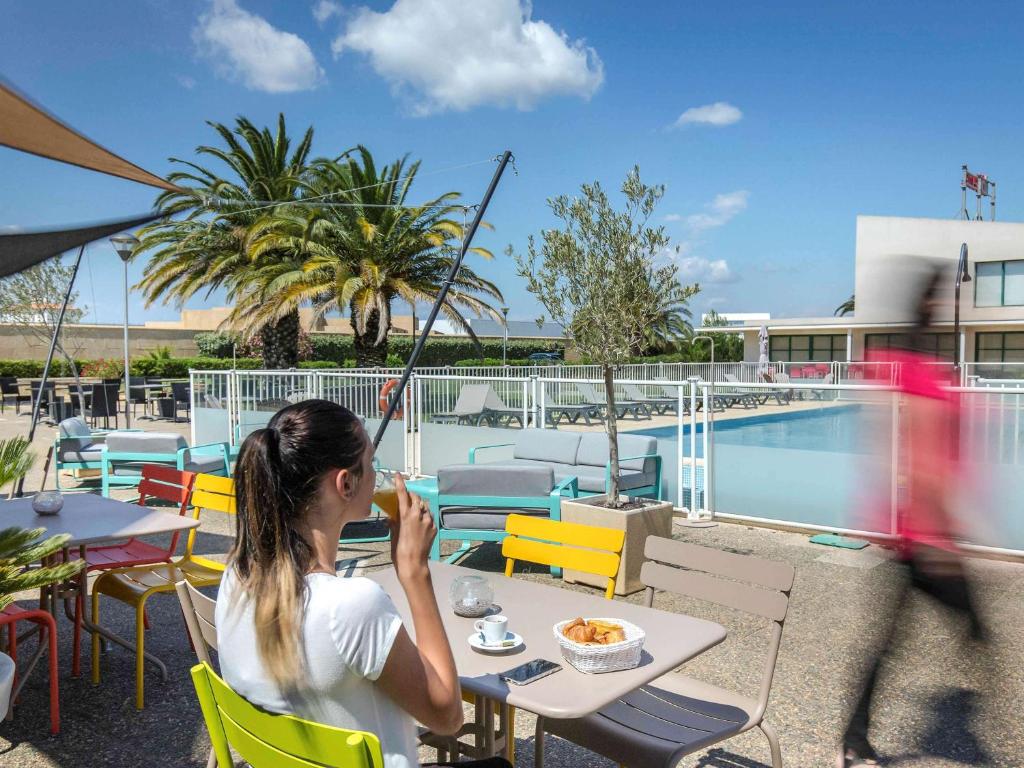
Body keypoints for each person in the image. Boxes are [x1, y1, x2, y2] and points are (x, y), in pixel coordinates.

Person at [215, 399, 510, 768]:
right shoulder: (351, 606)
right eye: (372, 464)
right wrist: (414, 570)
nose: (379, 475)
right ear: (346, 483)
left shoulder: (235, 578)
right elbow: (448, 718)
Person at [839, 267, 987, 767]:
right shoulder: (926, 377)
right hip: (929, 541)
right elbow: (922, 465)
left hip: (914, 537)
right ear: (932, 309)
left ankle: (854, 741)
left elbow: (899, 456)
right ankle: (857, 740)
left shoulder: (910, 371)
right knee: (978, 637)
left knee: (889, 643)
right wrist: (942, 533)